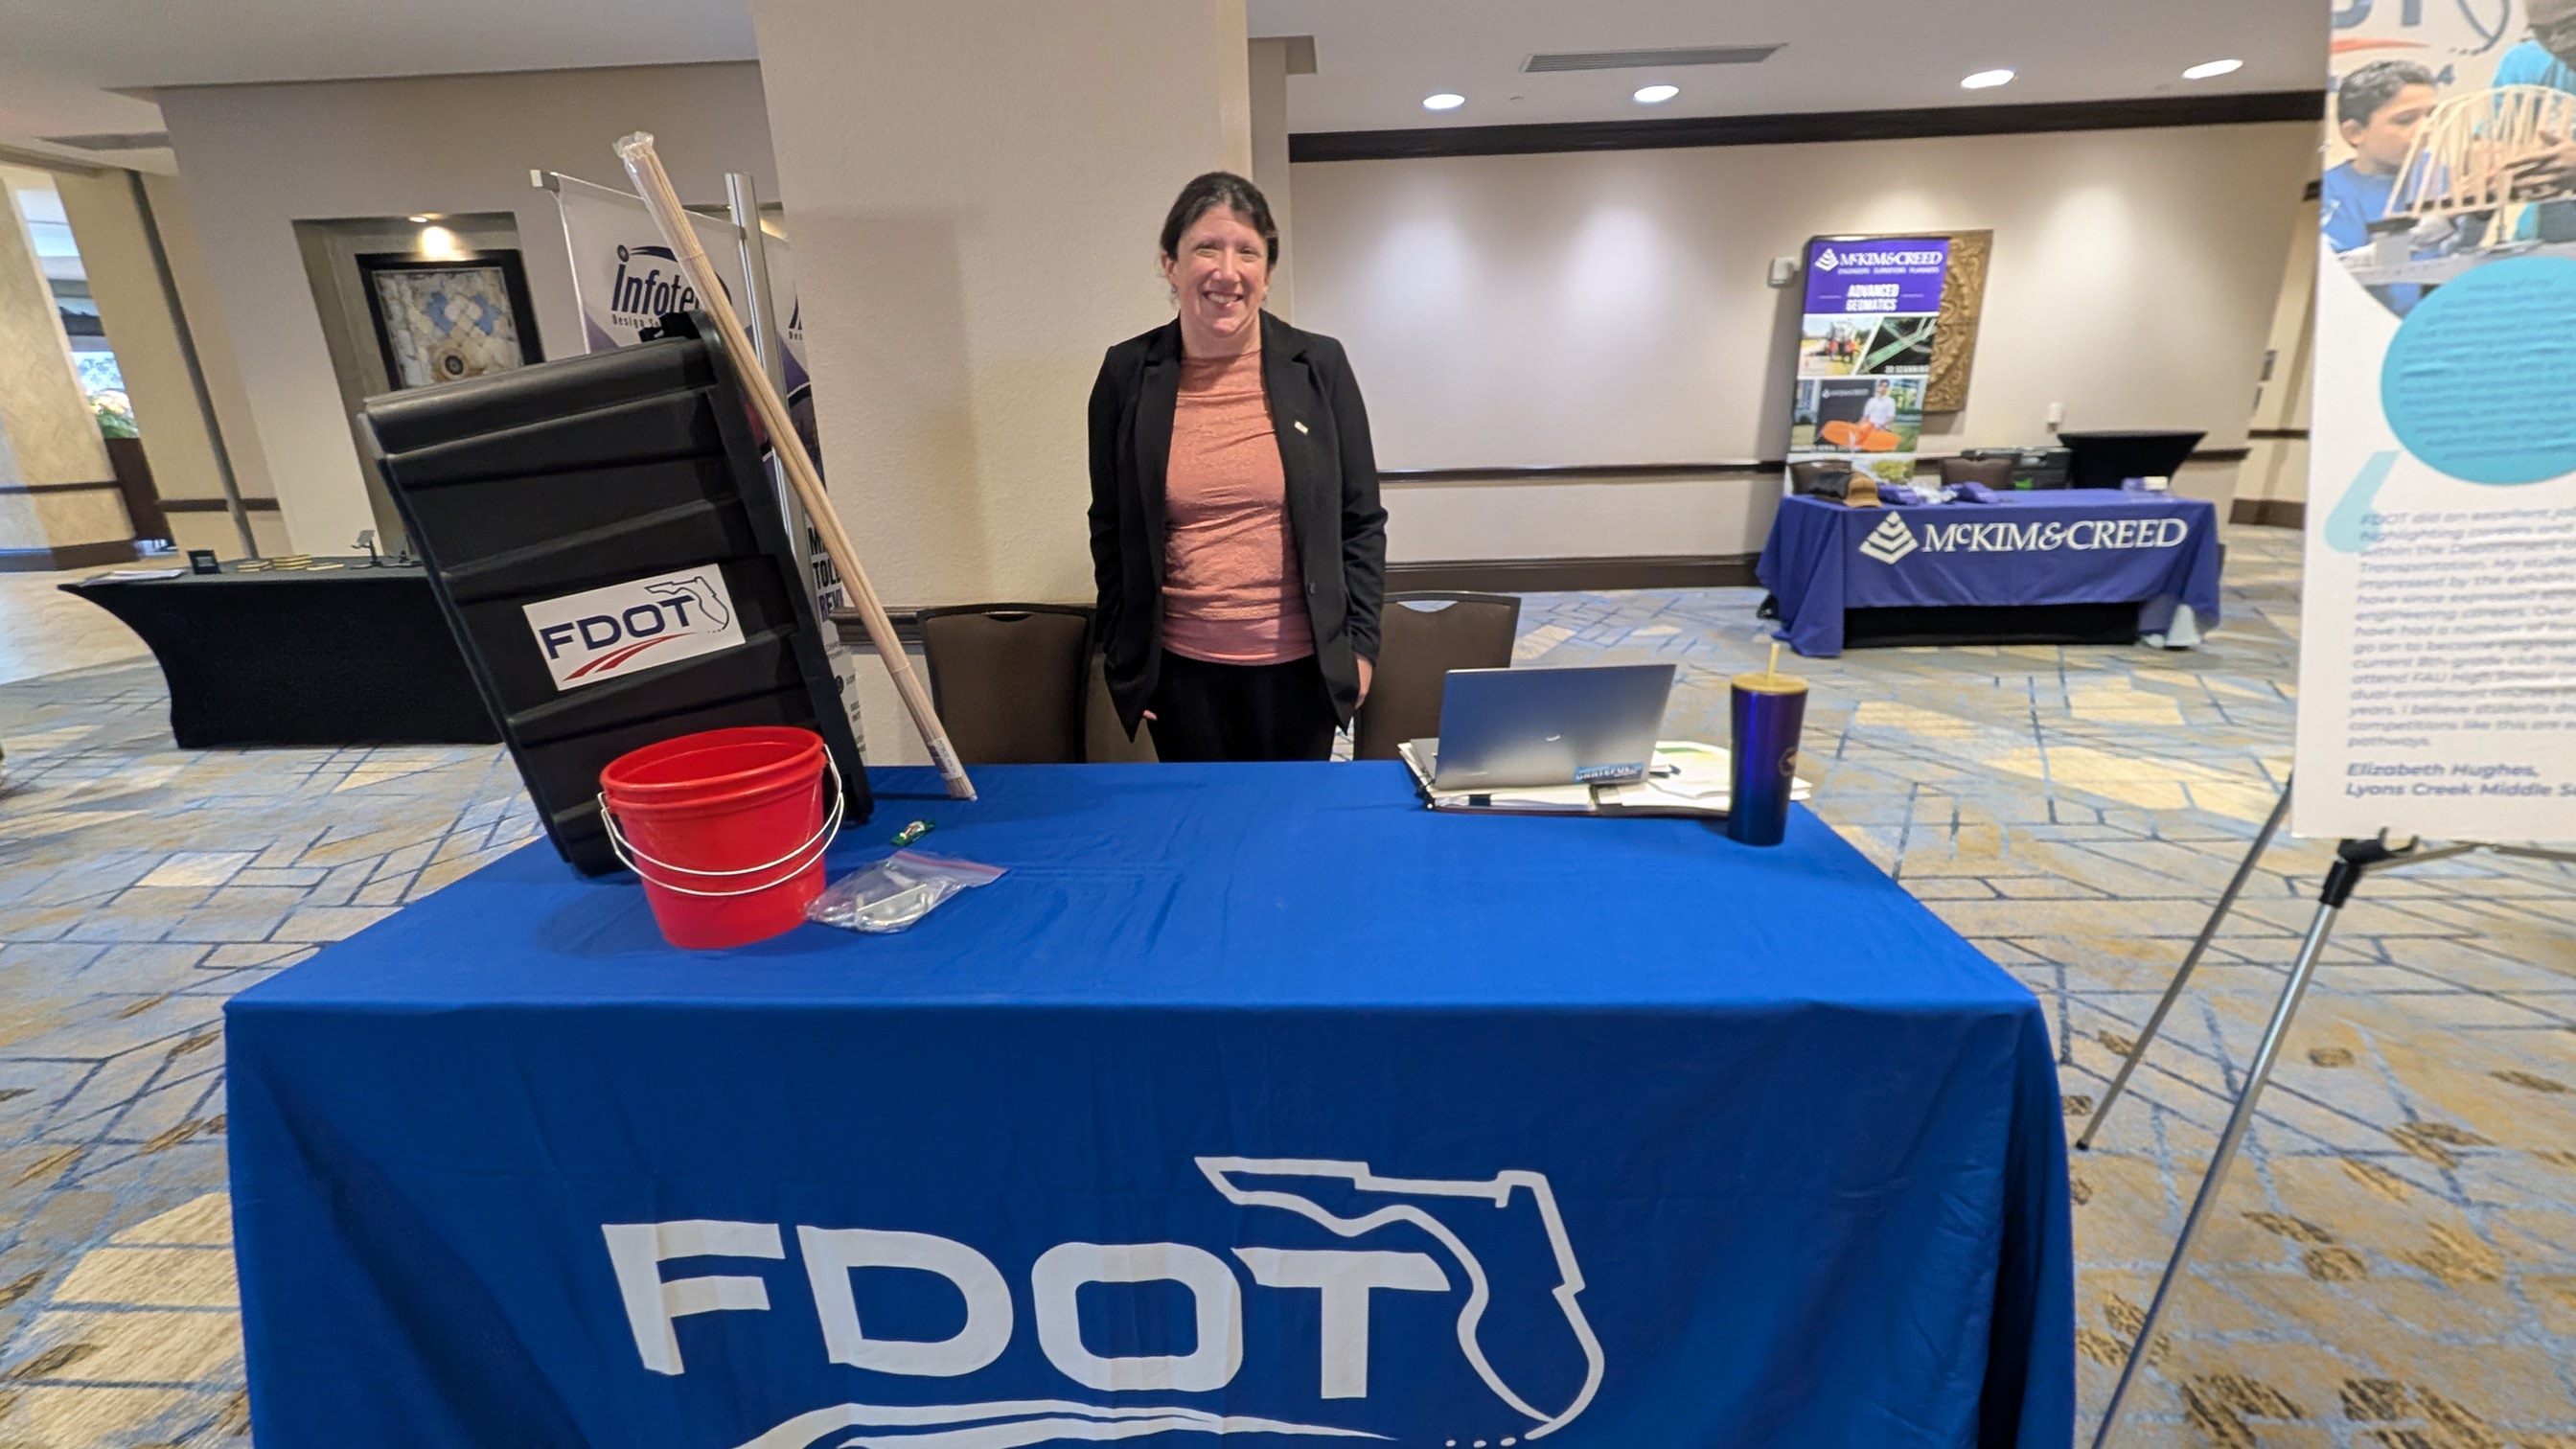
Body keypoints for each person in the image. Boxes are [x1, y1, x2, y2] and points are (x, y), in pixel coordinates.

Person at [1087, 172, 1388, 763]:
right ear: (1170, 264)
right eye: (1207, 247)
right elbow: (1111, 526)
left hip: (1301, 673)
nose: (1227, 271)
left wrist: (1360, 649)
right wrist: (1126, 659)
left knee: (1291, 821)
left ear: (1267, 273)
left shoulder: (1320, 366)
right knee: (1201, 821)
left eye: (1247, 252)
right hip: (1180, 676)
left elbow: (1361, 522)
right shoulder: (1127, 374)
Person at [2321, 58, 2442, 314]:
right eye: (2405, 120)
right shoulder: (2331, 193)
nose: (2426, 129)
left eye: (2431, 116)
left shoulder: (2439, 174)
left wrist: (2478, 217)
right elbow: (2341, 271)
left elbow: (2456, 254)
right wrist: (2434, 230)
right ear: (2355, 133)